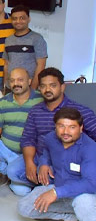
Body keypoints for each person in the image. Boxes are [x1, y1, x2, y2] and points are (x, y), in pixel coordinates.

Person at [18, 68, 96, 196]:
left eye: (52, 85)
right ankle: (50, 184)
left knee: (73, 178)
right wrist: (30, 163)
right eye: (43, 86)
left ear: (62, 87)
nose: (47, 90)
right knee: (13, 171)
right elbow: (28, 138)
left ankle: (58, 187)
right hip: (41, 155)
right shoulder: (35, 111)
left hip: (70, 160)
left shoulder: (80, 110)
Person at [17, 108, 96, 221]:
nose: (65, 132)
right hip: (60, 187)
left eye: (72, 127)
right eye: (61, 126)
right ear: (55, 127)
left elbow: (91, 184)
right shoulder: (51, 138)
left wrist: (55, 193)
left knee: (84, 204)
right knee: (24, 207)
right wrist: (44, 163)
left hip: (84, 194)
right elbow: (46, 151)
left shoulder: (90, 148)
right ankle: (70, 217)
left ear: (81, 128)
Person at [0, 68, 43, 194]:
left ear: (29, 81)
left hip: (28, 154)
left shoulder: (41, 101)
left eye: (20, 80)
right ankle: (5, 171)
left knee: (20, 191)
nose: (16, 83)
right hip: (6, 148)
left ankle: (10, 173)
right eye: (12, 80)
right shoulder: (2, 103)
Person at [4, 5, 47, 90]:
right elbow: (6, 64)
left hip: (29, 88)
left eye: (22, 18)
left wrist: (33, 90)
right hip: (11, 88)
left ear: (29, 19)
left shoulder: (37, 39)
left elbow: (41, 65)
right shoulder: (8, 40)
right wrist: (5, 85)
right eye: (15, 18)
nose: (18, 21)